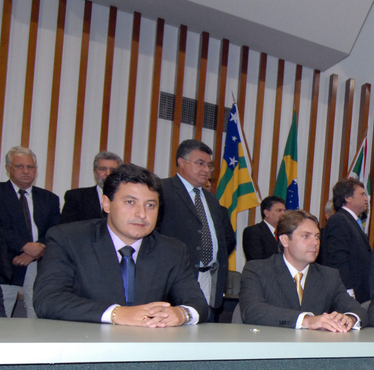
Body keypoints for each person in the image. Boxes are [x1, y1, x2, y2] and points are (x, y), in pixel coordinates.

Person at [33, 163, 207, 325]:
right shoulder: (68, 239)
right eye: (130, 202)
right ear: (106, 204)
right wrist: (117, 313)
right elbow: (48, 299)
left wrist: (182, 314)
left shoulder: (172, 250)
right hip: (85, 341)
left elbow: (197, 303)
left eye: (150, 205)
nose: (142, 214)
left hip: (148, 342)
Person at [239, 210, 366, 330]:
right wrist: (306, 320)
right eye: (306, 236)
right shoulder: (258, 270)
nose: (315, 243)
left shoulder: (329, 275)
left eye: (317, 237)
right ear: (285, 240)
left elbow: (358, 310)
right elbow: (252, 311)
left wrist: (349, 318)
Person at [158, 139, 236, 313]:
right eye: (200, 163)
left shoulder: (211, 200)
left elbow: (225, 240)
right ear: (181, 162)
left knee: (206, 324)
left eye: (209, 165)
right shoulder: (162, 190)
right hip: (175, 279)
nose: (206, 170)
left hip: (209, 277)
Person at [0, 146, 61, 318]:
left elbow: (55, 230)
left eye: (30, 167)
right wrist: (24, 246)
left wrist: (35, 252)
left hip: (39, 264)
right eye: (19, 166)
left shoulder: (49, 198)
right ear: (8, 168)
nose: (26, 171)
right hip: (5, 264)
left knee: (38, 316)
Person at [321, 179, 372, 302]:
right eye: (362, 194)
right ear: (348, 198)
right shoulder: (339, 220)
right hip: (348, 292)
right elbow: (338, 259)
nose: (366, 199)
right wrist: (347, 291)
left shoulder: (350, 221)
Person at [61, 151, 122, 223]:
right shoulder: (76, 197)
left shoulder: (127, 198)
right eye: (102, 169)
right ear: (94, 172)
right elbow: (67, 227)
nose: (107, 173)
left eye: (112, 170)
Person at [242, 196, 285, 261]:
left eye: (284, 211)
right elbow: (256, 260)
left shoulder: (285, 232)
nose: (283, 214)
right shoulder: (253, 231)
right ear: (266, 213)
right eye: (279, 210)